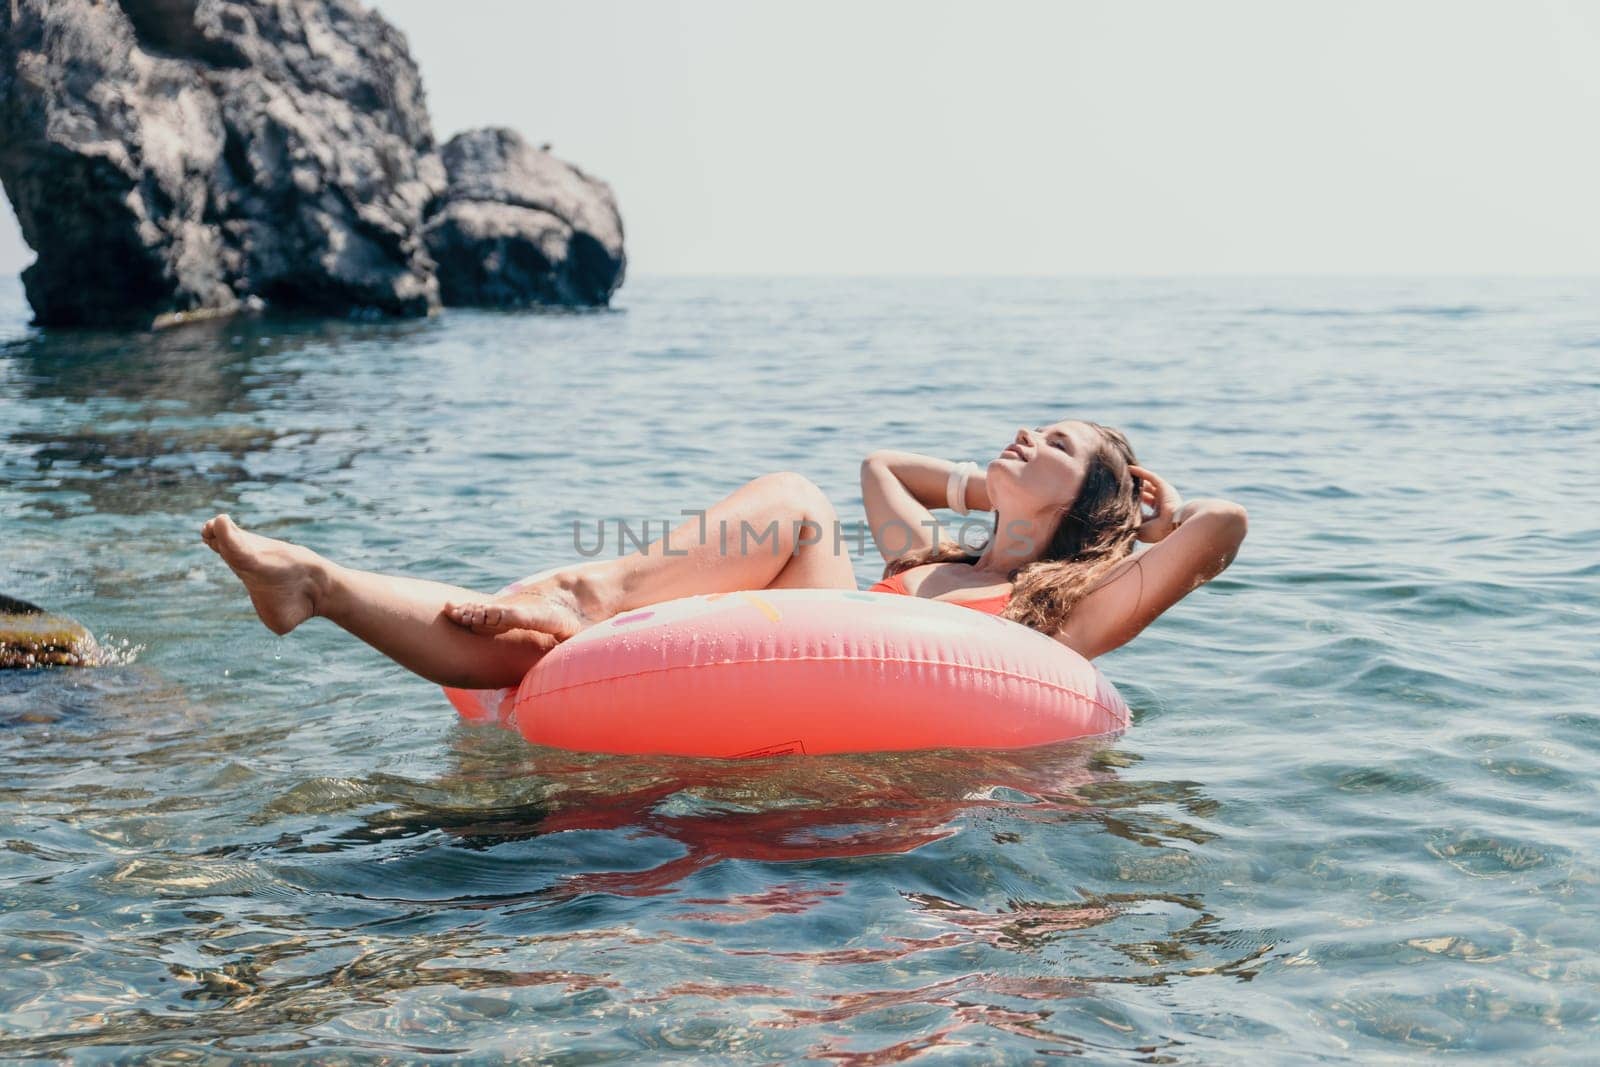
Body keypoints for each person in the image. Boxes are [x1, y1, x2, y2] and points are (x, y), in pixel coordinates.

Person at [201, 418, 1247, 691]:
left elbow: (1224, 525)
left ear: (1094, 499)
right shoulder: (931, 556)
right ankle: (316, 584)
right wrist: (996, 490)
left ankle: (578, 597)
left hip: (893, 710)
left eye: (1054, 444)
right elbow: (880, 464)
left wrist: (1138, 517)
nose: (1027, 435)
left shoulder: (1067, 610)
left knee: (794, 504)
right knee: (796, 499)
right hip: (816, 659)